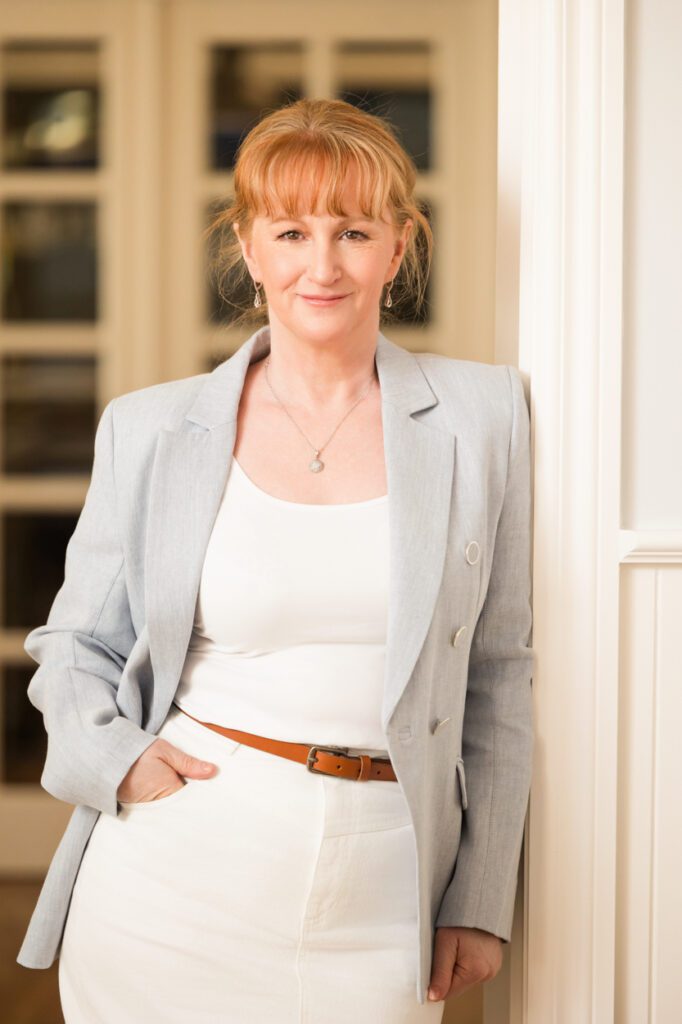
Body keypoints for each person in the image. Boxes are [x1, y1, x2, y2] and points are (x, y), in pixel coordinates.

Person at [16, 98, 534, 1022]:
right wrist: (120, 761)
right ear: (250, 248)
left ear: (401, 245)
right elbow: (76, 641)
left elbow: (499, 672)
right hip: (176, 876)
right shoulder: (150, 427)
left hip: (390, 889)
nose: (322, 265)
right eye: (291, 231)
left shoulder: (484, 417)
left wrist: (481, 895)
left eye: (355, 230)